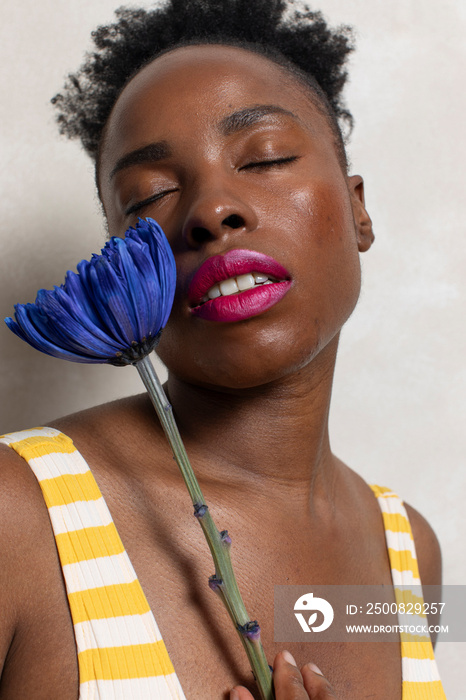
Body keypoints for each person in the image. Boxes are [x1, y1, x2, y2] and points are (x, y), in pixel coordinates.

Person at [0, 0, 446, 698]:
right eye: (151, 196)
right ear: (121, 261)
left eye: (264, 158)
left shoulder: (410, 552)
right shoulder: (15, 513)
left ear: (359, 209)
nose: (211, 210)